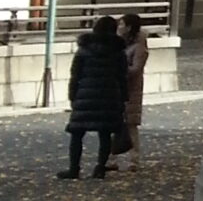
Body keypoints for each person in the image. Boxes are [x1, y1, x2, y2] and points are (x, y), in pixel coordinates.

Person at [60, 15, 127, 182]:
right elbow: (122, 76)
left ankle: (74, 168)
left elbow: (75, 75)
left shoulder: (84, 50)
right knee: (105, 133)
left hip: (85, 94)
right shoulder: (117, 51)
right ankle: (100, 168)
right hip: (109, 95)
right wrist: (124, 97)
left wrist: (73, 95)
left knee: (77, 133)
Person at [118, 12, 148, 170]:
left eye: (122, 24)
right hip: (119, 88)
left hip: (132, 90)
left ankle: (134, 159)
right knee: (115, 124)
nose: (119, 27)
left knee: (130, 125)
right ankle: (111, 158)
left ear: (129, 27)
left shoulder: (139, 47)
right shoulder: (120, 43)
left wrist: (120, 68)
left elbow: (136, 69)